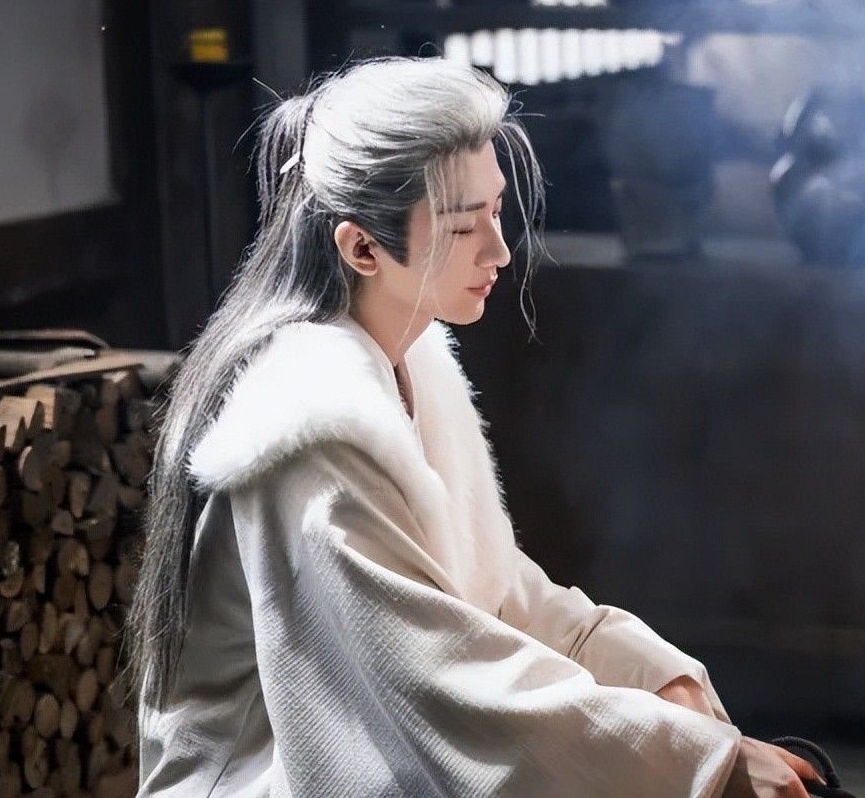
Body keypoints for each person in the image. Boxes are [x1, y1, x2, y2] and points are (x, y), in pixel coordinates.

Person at [127, 56, 822, 797]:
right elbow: (437, 681)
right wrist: (701, 762)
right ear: (362, 247)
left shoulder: (409, 360)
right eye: (464, 227)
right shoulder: (309, 426)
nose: (499, 249)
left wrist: (655, 681)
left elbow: (498, 590)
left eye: (497, 211)